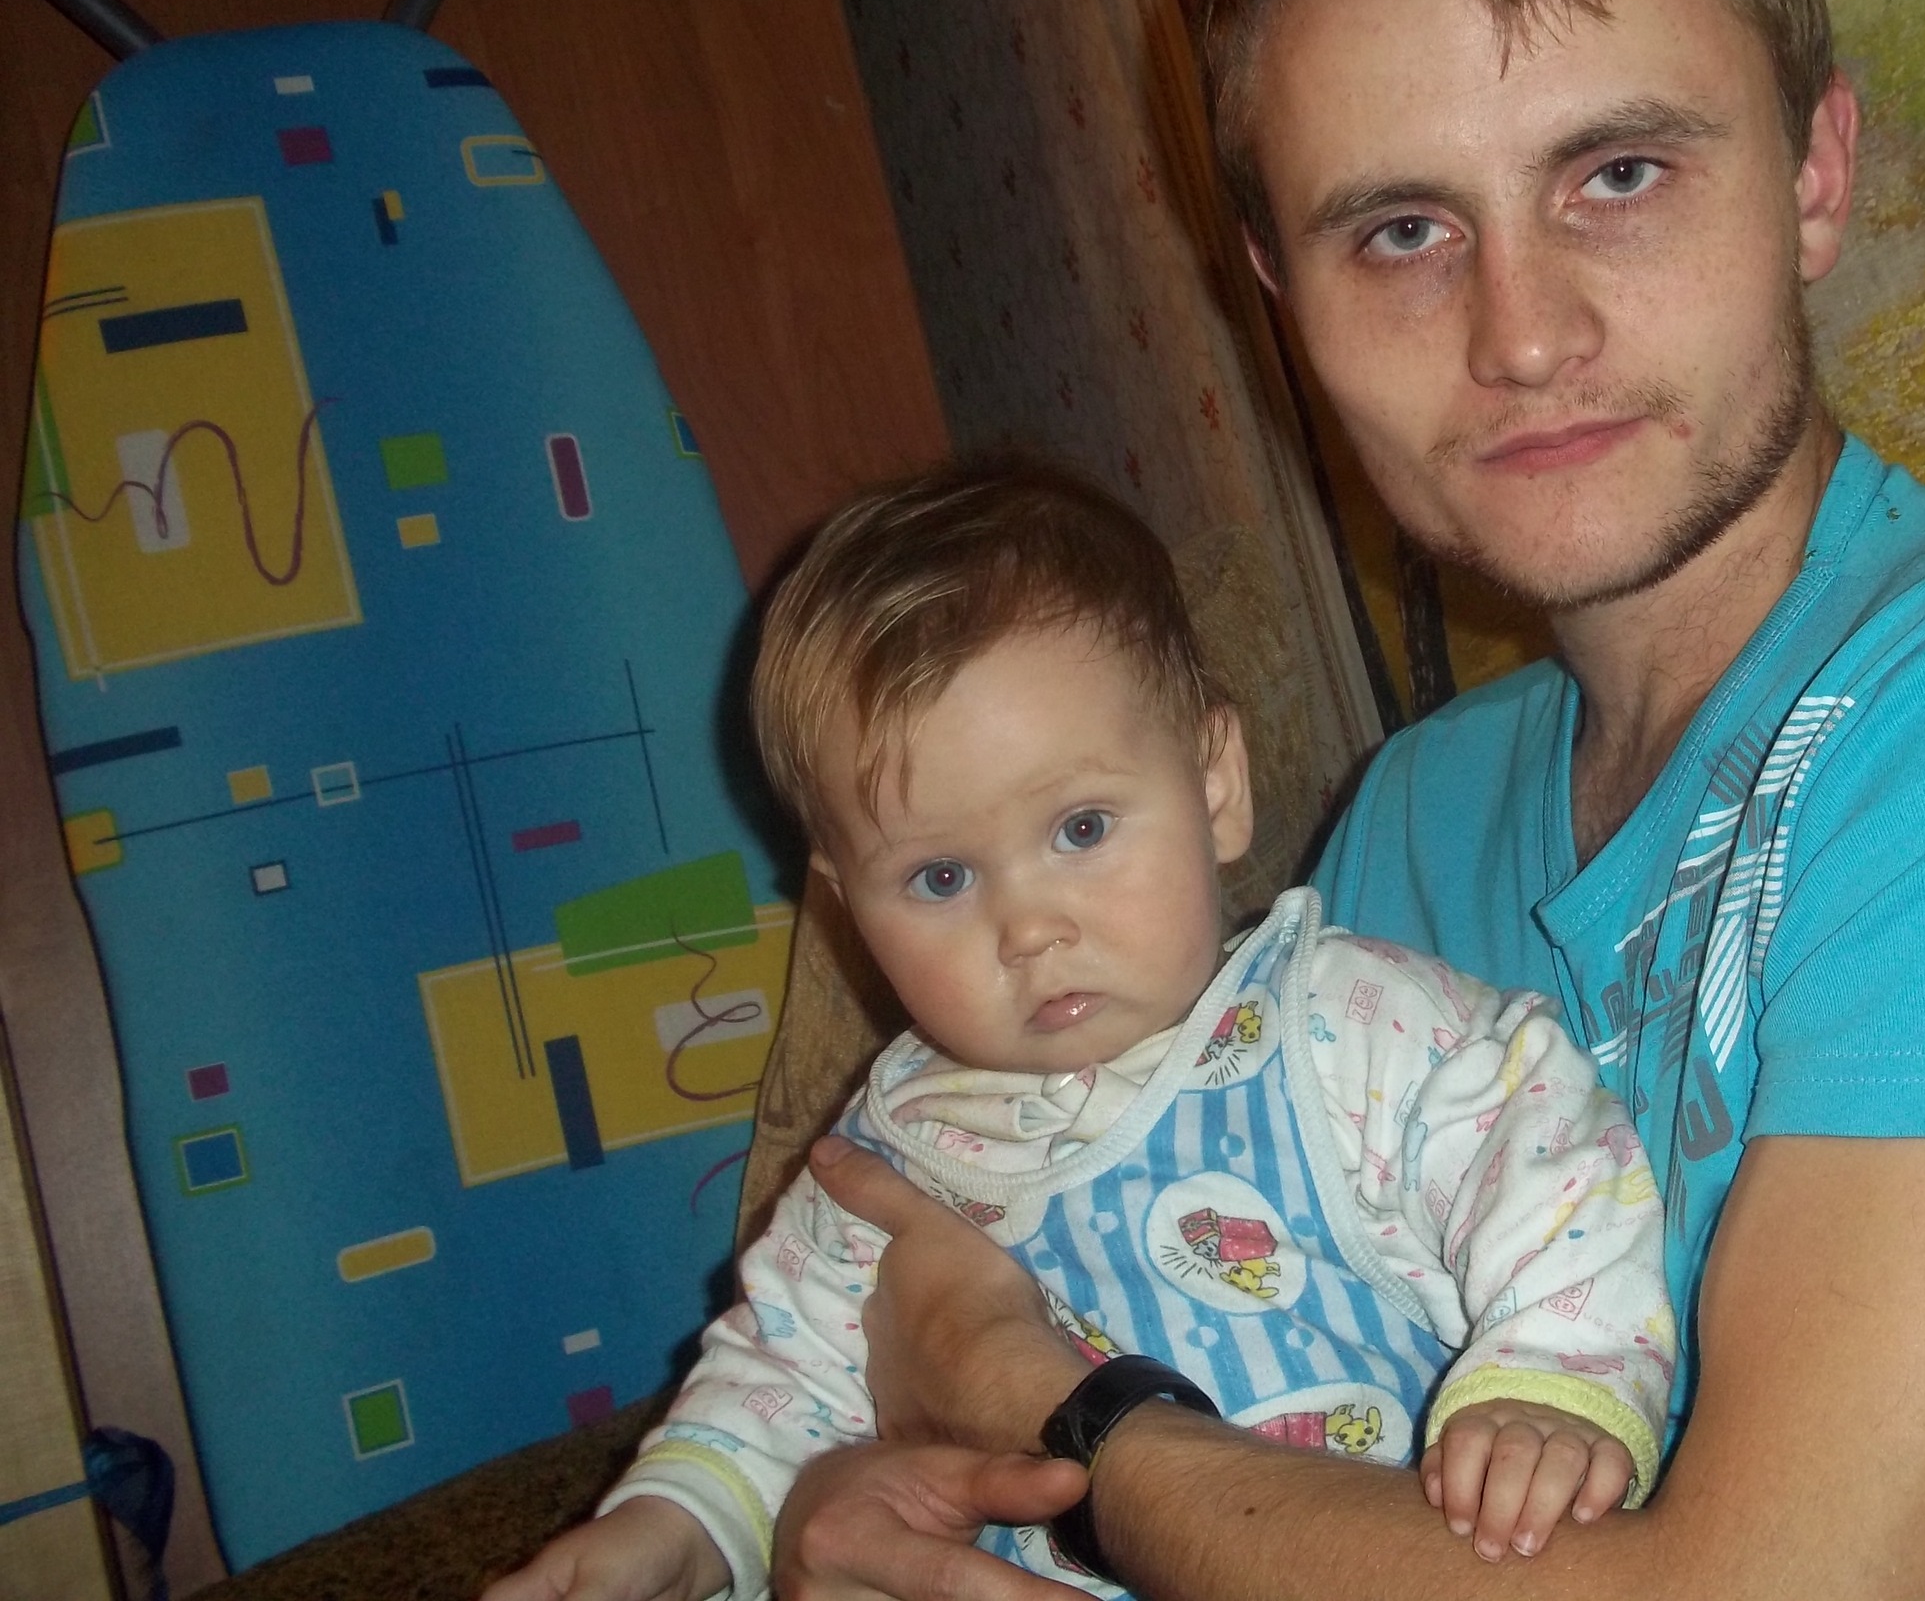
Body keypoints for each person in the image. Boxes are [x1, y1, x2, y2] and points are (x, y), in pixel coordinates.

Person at [770, 0, 1925, 1601]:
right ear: (1283, 303)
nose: (1523, 334)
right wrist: (865, 1488)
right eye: (1402, 231)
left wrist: (1056, 1421)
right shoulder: (1411, 818)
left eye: (1618, 174)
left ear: (1815, 175)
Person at [486, 462, 1676, 1601]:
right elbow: (779, 1381)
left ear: (1214, 786)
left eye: (1081, 829)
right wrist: (672, 1530)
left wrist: (1548, 1382)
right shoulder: (888, 1161)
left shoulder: (1345, 1025)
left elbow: (1545, 1150)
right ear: (847, 911)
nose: (1027, 928)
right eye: (942, 878)